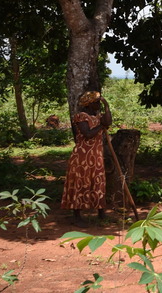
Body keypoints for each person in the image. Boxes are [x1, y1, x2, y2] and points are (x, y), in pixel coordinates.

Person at [61, 90, 112, 226]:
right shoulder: (81, 117)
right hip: (82, 156)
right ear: (89, 104)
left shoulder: (97, 115)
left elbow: (108, 122)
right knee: (80, 182)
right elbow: (88, 134)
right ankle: (77, 215)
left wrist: (106, 106)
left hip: (96, 155)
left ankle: (101, 213)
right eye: (96, 103)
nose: (98, 106)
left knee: (98, 182)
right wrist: (101, 125)